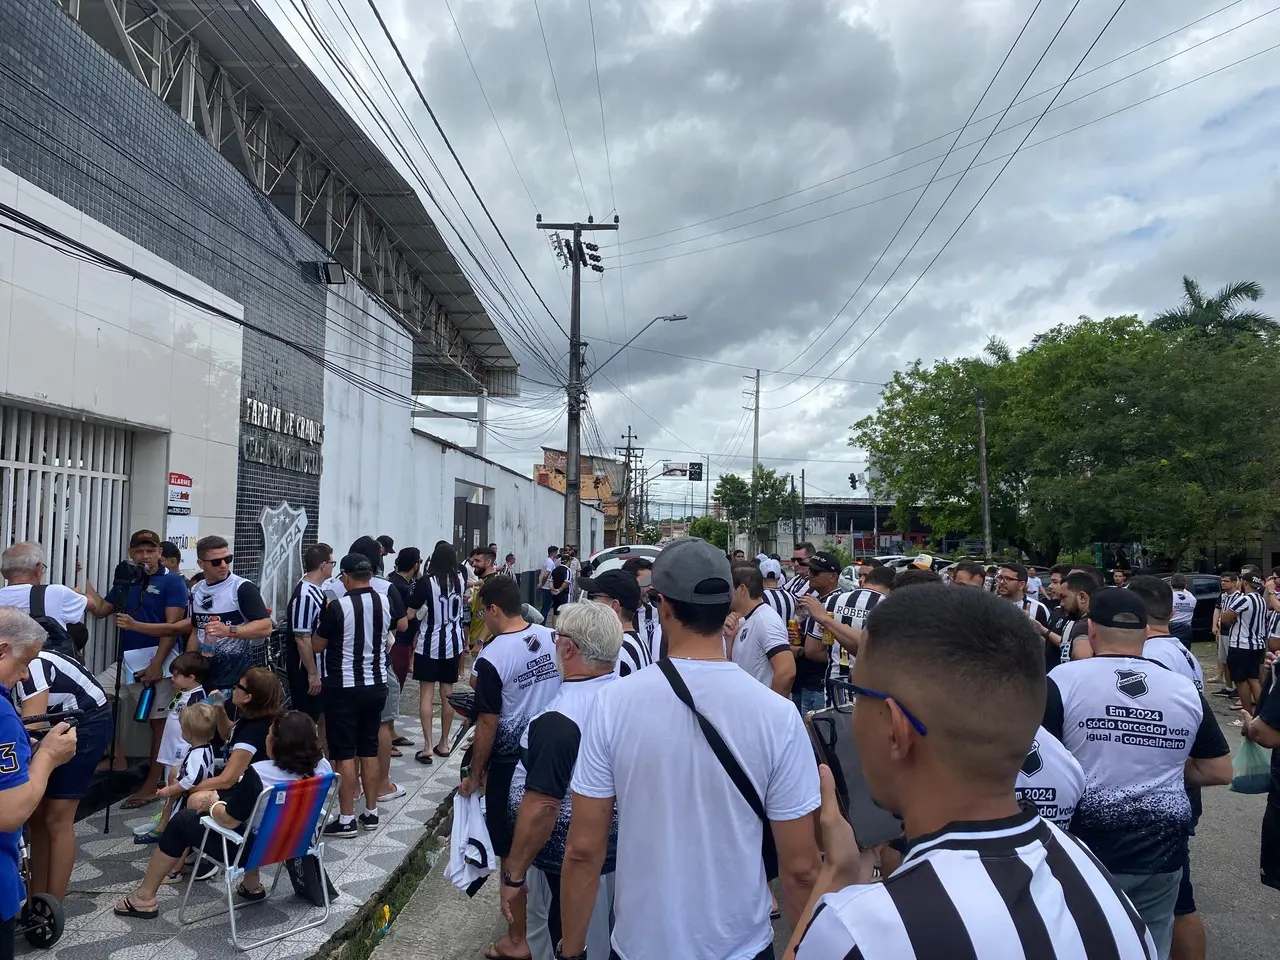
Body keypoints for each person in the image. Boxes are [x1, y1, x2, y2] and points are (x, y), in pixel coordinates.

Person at [786, 584, 1157, 960]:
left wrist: (837, 876)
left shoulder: (861, 929)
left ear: (896, 730)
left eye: (857, 695)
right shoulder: (1095, 879)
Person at [561, 537, 821, 960]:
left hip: (640, 944)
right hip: (741, 945)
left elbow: (584, 849)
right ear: (729, 606)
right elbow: (802, 868)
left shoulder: (614, 703)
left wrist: (570, 951)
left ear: (663, 605)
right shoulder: (778, 715)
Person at [1043, 587, 1230, 960]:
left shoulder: (1062, 681)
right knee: (1149, 946)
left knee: (1081, 944)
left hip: (1083, 853)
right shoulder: (1183, 690)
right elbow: (1219, 769)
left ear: (1092, 630)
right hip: (1162, 851)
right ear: (1146, 632)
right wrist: (1162, 764)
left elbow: (1041, 766)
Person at [114, 710, 330, 920]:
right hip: (296, 844)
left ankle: (144, 898)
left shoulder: (261, 774)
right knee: (258, 818)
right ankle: (251, 885)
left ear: (278, 744)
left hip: (254, 851)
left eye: (269, 734)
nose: (266, 737)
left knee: (182, 821)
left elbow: (228, 820)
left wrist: (212, 804)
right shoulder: (323, 769)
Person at [500, 603, 621, 960]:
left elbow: (542, 807)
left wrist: (515, 874)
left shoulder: (558, 721)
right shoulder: (626, 697)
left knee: (564, 942)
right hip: (618, 858)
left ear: (569, 649)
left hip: (563, 867)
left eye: (557, 638)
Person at [461, 576, 559, 960]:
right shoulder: (552, 638)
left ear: (495, 609)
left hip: (509, 763)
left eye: (483, 611)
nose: (483, 618)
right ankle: (552, 927)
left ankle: (518, 940)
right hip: (553, 752)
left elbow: (487, 721)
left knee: (513, 853)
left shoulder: (493, 656)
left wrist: (475, 773)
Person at [1125, 576, 1208, 960]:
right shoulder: (1184, 652)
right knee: (1177, 899)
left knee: (1177, 904)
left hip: (1161, 785)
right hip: (1178, 783)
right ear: (1172, 611)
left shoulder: (1151, 658)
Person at [82, 530, 191, 809]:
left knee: (159, 725)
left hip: (161, 663)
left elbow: (172, 627)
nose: (145, 556)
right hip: (127, 661)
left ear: (159, 553)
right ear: (132, 552)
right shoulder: (126, 577)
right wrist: (80, 578)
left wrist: (157, 664)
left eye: (150, 551)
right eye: (140, 551)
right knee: (90, 697)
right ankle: (115, 756)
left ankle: (152, 784)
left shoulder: (173, 582)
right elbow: (103, 608)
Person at [0, 608, 78, 958]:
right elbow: (10, 812)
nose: (24, 676)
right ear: (2, 649)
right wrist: (47, 757)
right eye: (23, 663)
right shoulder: (3, 714)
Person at [314, 554, 406, 836]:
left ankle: (346, 819)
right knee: (368, 750)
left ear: (346, 577)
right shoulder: (385, 602)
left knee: (344, 754)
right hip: (377, 684)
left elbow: (318, 645)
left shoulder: (338, 607)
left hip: (344, 687)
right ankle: (371, 811)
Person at [14, 639, 112, 902]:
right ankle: (36, 897)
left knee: (56, 817)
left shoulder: (29, 666)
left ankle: (52, 905)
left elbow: (29, 735)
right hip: (50, 721)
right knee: (36, 816)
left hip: (86, 722)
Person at [133, 651, 208, 843]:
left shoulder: (197, 697)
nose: (172, 678)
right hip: (170, 749)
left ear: (191, 677)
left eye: (176, 675)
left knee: (175, 789)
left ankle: (169, 826)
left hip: (181, 752)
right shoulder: (183, 693)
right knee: (169, 786)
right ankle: (163, 819)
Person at [188, 535, 273, 694]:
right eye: (216, 562)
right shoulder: (196, 590)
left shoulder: (242, 587)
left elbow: (266, 627)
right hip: (203, 675)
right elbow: (195, 630)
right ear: (201, 563)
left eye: (227, 559)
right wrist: (188, 664)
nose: (223, 565)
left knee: (223, 716)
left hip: (234, 680)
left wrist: (229, 631)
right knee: (198, 717)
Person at [407, 541, 467, 764]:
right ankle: (444, 742)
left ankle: (426, 746)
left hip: (429, 644)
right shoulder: (460, 580)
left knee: (426, 695)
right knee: (448, 695)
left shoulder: (426, 582)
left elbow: (411, 613)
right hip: (453, 644)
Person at [797, 552, 868, 709]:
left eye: (815, 572)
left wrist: (800, 650)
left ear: (832, 577)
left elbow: (814, 651)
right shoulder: (817, 599)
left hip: (821, 681)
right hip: (808, 680)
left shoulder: (836, 603)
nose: (810, 575)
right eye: (809, 571)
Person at [285, 543, 334, 733]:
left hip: (319, 667)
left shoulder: (316, 590)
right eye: (332, 562)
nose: (332, 567)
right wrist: (312, 673)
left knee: (321, 716)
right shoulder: (305, 595)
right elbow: (302, 637)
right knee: (306, 719)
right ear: (323, 565)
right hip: (306, 669)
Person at [728, 564, 795, 696]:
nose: (727, 595)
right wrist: (730, 637)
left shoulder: (766, 621)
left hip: (758, 711)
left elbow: (787, 671)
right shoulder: (744, 621)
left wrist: (771, 708)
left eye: (729, 590)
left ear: (741, 589)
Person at [578, 569, 660, 678]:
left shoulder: (617, 653)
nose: (592, 603)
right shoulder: (635, 642)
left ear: (614, 606)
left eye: (596, 597)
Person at [0, 542, 88, 632]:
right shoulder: (55, 593)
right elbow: (93, 604)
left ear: (3, 572)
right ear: (38, 569)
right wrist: (75, 589)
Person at [1221, 571, 1269, 715]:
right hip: (1257, 644)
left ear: (1245, 583)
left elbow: (1224, 618)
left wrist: (1232, 617)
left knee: (1241, 681)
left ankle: (1247, 714)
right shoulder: (1261, 600)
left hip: (1241, 645)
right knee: (1254, 679)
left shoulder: (1244, 599)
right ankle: (1261, 714)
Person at [467, 546, 501, 651]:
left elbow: (493, 613)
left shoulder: (492, 583)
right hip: (477, 637)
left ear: (488, 562)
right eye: (472, 561)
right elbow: (480, 607)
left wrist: (479, 642)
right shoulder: (484, 582)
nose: (473, 564)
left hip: (487, 641)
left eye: (477, 561)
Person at [1169, 574, 1197, 646]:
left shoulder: (1168, 597)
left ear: (1171, 584)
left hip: (1170, 626)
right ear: (1185, 585)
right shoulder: (1192, 599)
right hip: (1186, 627)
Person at [538, 546, 559, 621]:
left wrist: (540, 582)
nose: (557, 554)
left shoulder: (545, 561)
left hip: (544, 587)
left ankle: (541, 621)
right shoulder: (551, 563)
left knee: (544, 606)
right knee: (546, 607)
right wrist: (542, 583)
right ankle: (542, 623)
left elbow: (541, 573)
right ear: (553, 553)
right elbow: (546, 574)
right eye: (556, 552)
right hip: (547, 587)